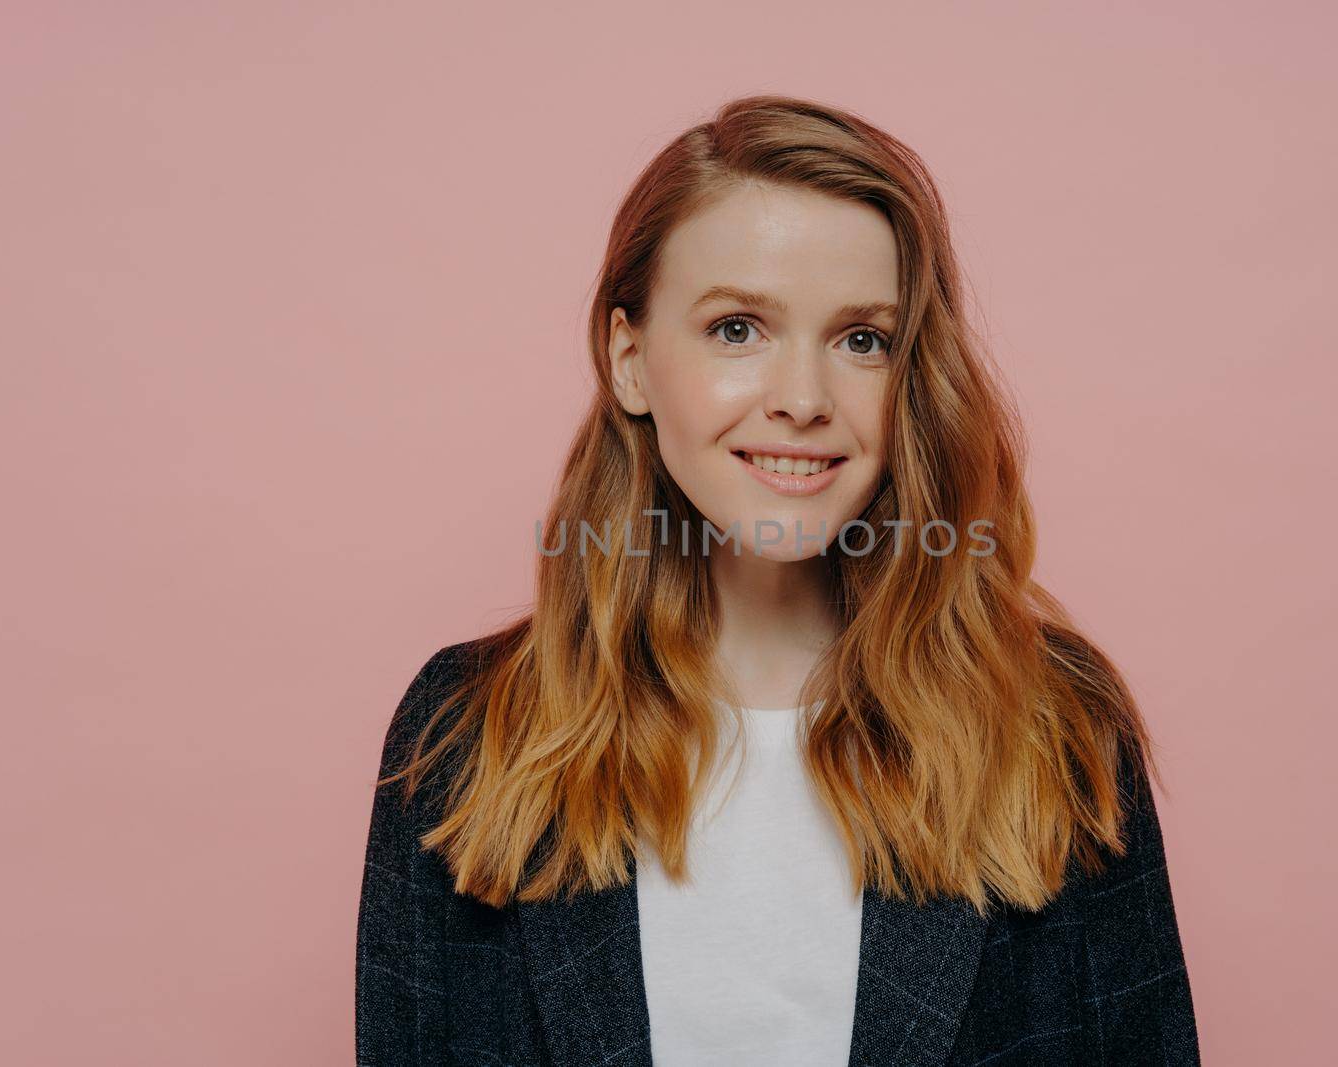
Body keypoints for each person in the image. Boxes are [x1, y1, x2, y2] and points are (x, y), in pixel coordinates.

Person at [356, 94, 1200, 1066]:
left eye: (861, 340)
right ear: (630, 360)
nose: (803, 400)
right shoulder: (460, 736)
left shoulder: (1058, 722)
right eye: (736, 329)